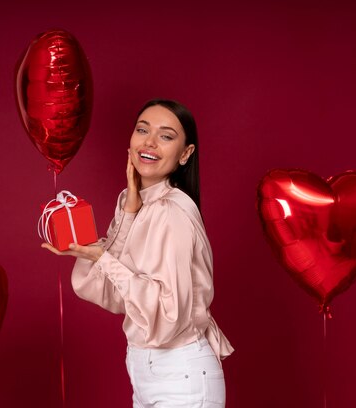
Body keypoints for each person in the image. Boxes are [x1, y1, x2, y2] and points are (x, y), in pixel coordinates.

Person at [42, 98, 234, 407]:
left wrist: (102, 258)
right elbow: (108, 292)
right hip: (148, 371)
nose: (150, 142)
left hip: (180, 374)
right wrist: (129, 213)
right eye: (143, 130)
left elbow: (169, 318)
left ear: (185, 154)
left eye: (166, 135)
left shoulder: (173, 212)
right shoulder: (136, 204)